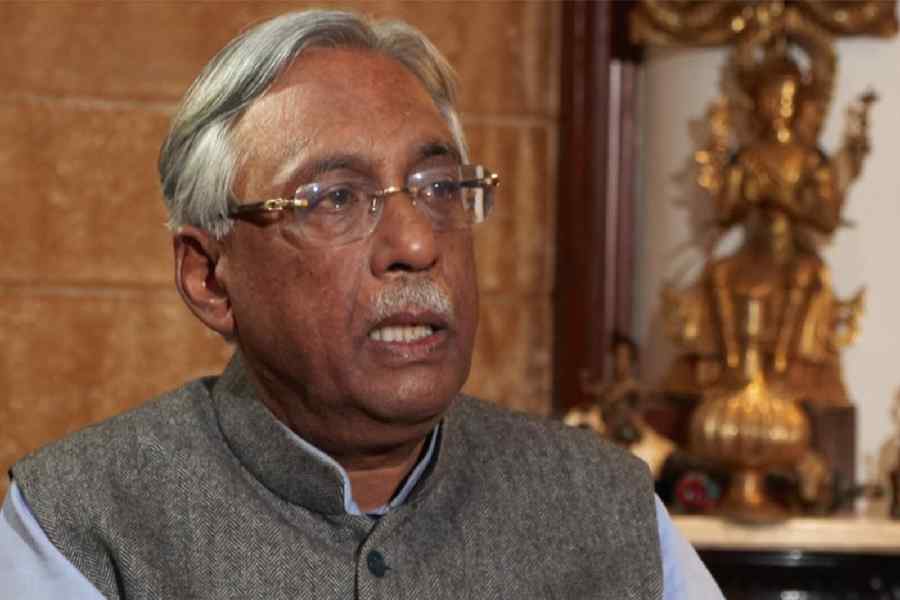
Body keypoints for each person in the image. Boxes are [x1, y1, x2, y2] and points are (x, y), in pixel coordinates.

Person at [0, 10, 722, 599]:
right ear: (210, 279)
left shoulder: (606, 505)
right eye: (334, 199)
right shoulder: (80, 524)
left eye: (439, 188)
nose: (414, 242)